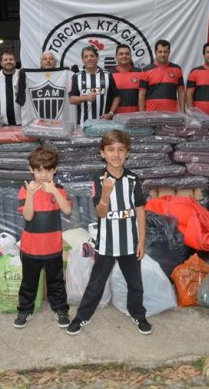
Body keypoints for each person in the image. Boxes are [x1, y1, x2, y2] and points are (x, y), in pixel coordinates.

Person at [67, 130, 151, 336]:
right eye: (111, 150)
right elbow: (100, 212)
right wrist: (105, 194)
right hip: (106, 244)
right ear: (102, 153)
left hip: (130, 243)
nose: (116, 154)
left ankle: (138, 314)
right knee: (96, 284)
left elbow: (140, 210)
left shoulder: (133, 179)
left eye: (121, 150)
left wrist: (142, 240)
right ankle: (82, 316)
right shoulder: (99, 179)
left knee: (135, 283)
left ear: (128, 153)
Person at [15, 145, 72, 329]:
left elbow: (67, 210)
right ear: (31, 170)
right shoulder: (25, 190)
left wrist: (54, 191)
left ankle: (61, 310)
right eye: (39, 170)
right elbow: (28, 216)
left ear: (54, 170)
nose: (44, 175)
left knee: (56, 282)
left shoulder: (59, 189)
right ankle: (24, 310)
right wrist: (31, 195)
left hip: (53, 247)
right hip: (30, 248)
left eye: (48, 170)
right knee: (29, 282)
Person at [69, 45, 119, 126]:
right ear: (83, 60)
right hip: (83, 124)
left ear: (97, 58)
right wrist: (86, 97)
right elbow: (71, 99)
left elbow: (116, 96)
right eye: (86, 57)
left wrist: (111, 113)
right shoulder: (76, 77)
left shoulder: (107, 75)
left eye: (92, 56)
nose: (89, 58)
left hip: (104, 123)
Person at [139, 39, 185, 112]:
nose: (163, 54)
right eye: (160, 52)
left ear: (169, 52)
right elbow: (142, 94)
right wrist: (141, 113)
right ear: (155, 52)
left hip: (171, 113)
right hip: (151, 113)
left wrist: (183, 111)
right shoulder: (146, 70)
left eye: (165, 52)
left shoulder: (177, 69)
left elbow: (181, 91)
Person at [108, 44, 146, 114]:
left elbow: (144, 96)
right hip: (114, 118)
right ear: (116, 57)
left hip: (134, 118)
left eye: (127, 54)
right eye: (121, 54)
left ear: (131, 56)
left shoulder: (140, 73)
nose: (124, 56)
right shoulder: (108, 74)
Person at [0, 51, 22, 125]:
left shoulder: (22, 75)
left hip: (21, 123)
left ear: (15, 62)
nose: (8, 61)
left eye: (11, 59)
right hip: (1, 124)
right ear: (1, 63)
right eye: (5, 60)